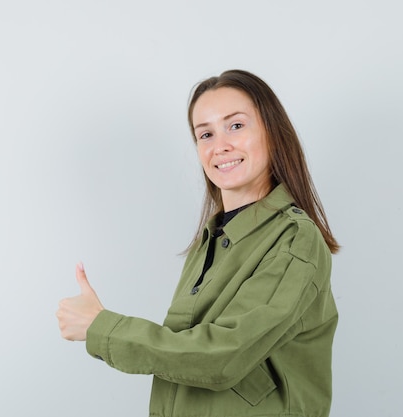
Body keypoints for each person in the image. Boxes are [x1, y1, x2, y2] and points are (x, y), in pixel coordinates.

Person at [56, 69, 339, 417]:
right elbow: (185, 359)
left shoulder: (293, 239)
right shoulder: (213, 237)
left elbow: (223, 355)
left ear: (272, 132)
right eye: (205, 134)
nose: (220, 146)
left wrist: (101, 327)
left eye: (236, 125)